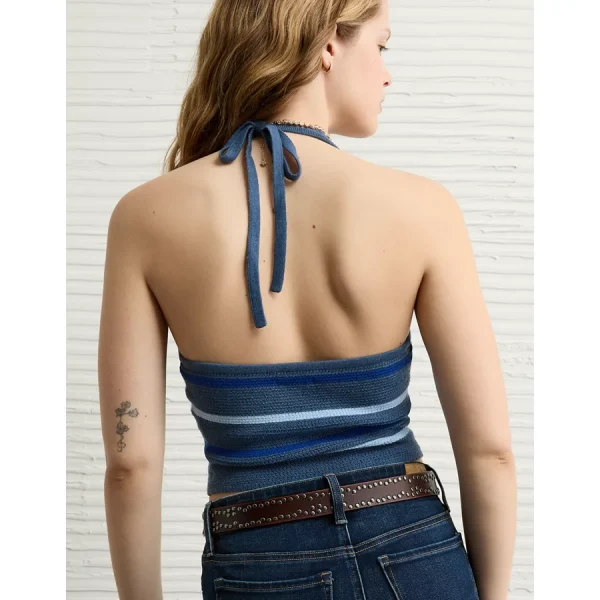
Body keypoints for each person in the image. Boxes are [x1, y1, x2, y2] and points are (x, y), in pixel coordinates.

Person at [97, 0, 517, 598]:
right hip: (413, 543)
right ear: (326, 44)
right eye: (381, 46)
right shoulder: (423, 208)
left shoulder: (145, 217)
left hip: (258, 559)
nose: (388, 73)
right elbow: (490, 451)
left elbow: (130, 465)